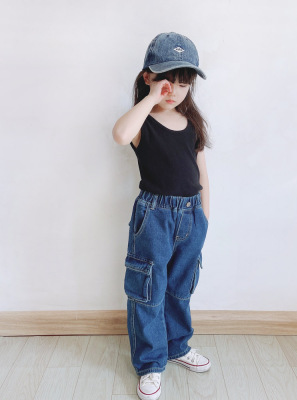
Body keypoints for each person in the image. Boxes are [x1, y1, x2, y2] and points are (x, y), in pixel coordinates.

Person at [112, 32, 212, 400]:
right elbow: (120, 134)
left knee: (179, 289)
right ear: (148, 77)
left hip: (190, 216)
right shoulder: (142, 122)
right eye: (167, 81)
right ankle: (151, 362)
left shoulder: (192, 124)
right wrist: (152, 97)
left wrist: (203, 219)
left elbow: (202, 174)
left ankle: (176, 346)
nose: (175, 91)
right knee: (149, 290)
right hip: (154, 217)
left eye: (183, 84)